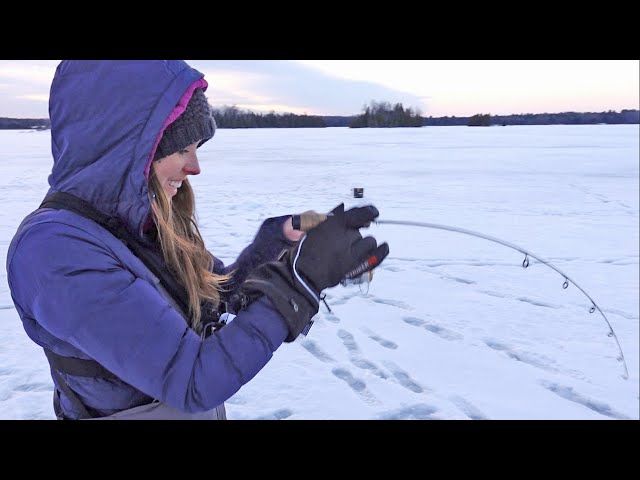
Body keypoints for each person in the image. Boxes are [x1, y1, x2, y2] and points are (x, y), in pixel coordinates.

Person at [6, 60, 389, 420]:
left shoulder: (141, 223)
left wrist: (285, 244)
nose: (195, 167)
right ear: (126, 150)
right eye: (181, 149)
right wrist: (298, 284)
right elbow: (192, 380)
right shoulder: (54, 251)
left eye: (197, 149)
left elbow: (217, 295)